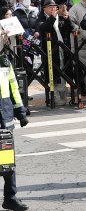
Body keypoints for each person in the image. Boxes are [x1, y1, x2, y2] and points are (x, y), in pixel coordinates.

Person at [0, 48, 28, 211]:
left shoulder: (5, 62)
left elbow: (13, 88)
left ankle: (10, 198)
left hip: (5, 116)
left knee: (7, 161)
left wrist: (21, 113)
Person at [36, 0, 76, 106]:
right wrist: (52, 17)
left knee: (65, 70)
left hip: (64, 49)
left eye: (54, 7)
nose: (53, 9)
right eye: (50, 7)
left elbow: (72, 28)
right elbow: (43, 28)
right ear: (44, 9)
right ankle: (55, 96)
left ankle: (65, 94)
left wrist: (67, 19)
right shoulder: (41, 19)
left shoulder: (61, 18)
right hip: (50, 51)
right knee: (53, 72)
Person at [68, 0, 86, 99]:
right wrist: (78, 30)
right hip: (80, 42)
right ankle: (81, 89)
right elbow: (70, 22)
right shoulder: (75, 8)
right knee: (80, 66)